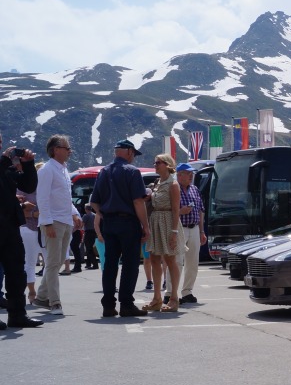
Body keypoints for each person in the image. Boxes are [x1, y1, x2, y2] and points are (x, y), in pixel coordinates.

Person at [89, 140, 150, 318]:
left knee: (110, 264)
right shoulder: (132, 171)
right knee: (130, 264)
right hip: (128, 222)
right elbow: (138, 201)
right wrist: (145, 226)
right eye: (134, 154)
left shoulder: (104, 171)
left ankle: (108, 305)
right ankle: (126, 304)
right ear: (129, 152)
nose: (134, 157)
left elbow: (94, 202)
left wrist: (105, 215)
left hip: (109, 223)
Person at [34, 135, 80, 316]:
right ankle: (54, 302)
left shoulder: (63, 170)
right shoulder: (47, 170)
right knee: (53, 262)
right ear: (55, 150)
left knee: (59, 261)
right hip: (53, 221)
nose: (70, 151)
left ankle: (41, 296)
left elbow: (65, 197)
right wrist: (47, 223)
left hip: (65, 220)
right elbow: (42, 198)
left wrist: (74, 214)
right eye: (67, 148)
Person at [0, 136, 43, 329]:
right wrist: (5, 159)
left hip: (10, 225)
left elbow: (28, 186)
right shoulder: (3, 164)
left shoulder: (6, 167)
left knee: (17, 272)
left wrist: (28, 164)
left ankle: (17, 315)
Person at [143, 154, 181, 312]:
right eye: (155, 162)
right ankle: (157, 298)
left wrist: (174, 232)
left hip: (167, 221)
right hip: (156, 220)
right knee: (154, 259)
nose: (155, 165)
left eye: (158, 163)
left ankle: (174, 298)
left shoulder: (173, 184)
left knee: (170, 259)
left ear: (167, 165)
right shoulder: (157, 183)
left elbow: (176, 209)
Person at [174, 163, 205, 304]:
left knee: (193, 262)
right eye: (188, 173)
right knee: (176, 262)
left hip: (194, 229)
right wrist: (181, 211)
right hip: (179, 228)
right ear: (179, 175)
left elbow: (201, 211)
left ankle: (187, 292)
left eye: (192, 173)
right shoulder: (174, 188)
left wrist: (202, 231)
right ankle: (170, 293)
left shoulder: (194, 189)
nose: (191, 176)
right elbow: (168, 211)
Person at [18, 186, 42, 306]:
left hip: (46, 227)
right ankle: (32, 292)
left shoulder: (46, 187)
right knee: (30, 262)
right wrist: (33, 213)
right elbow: (17, 210)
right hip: (28, 228)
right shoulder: (21, 189)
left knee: (51, 263)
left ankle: (45, 292)